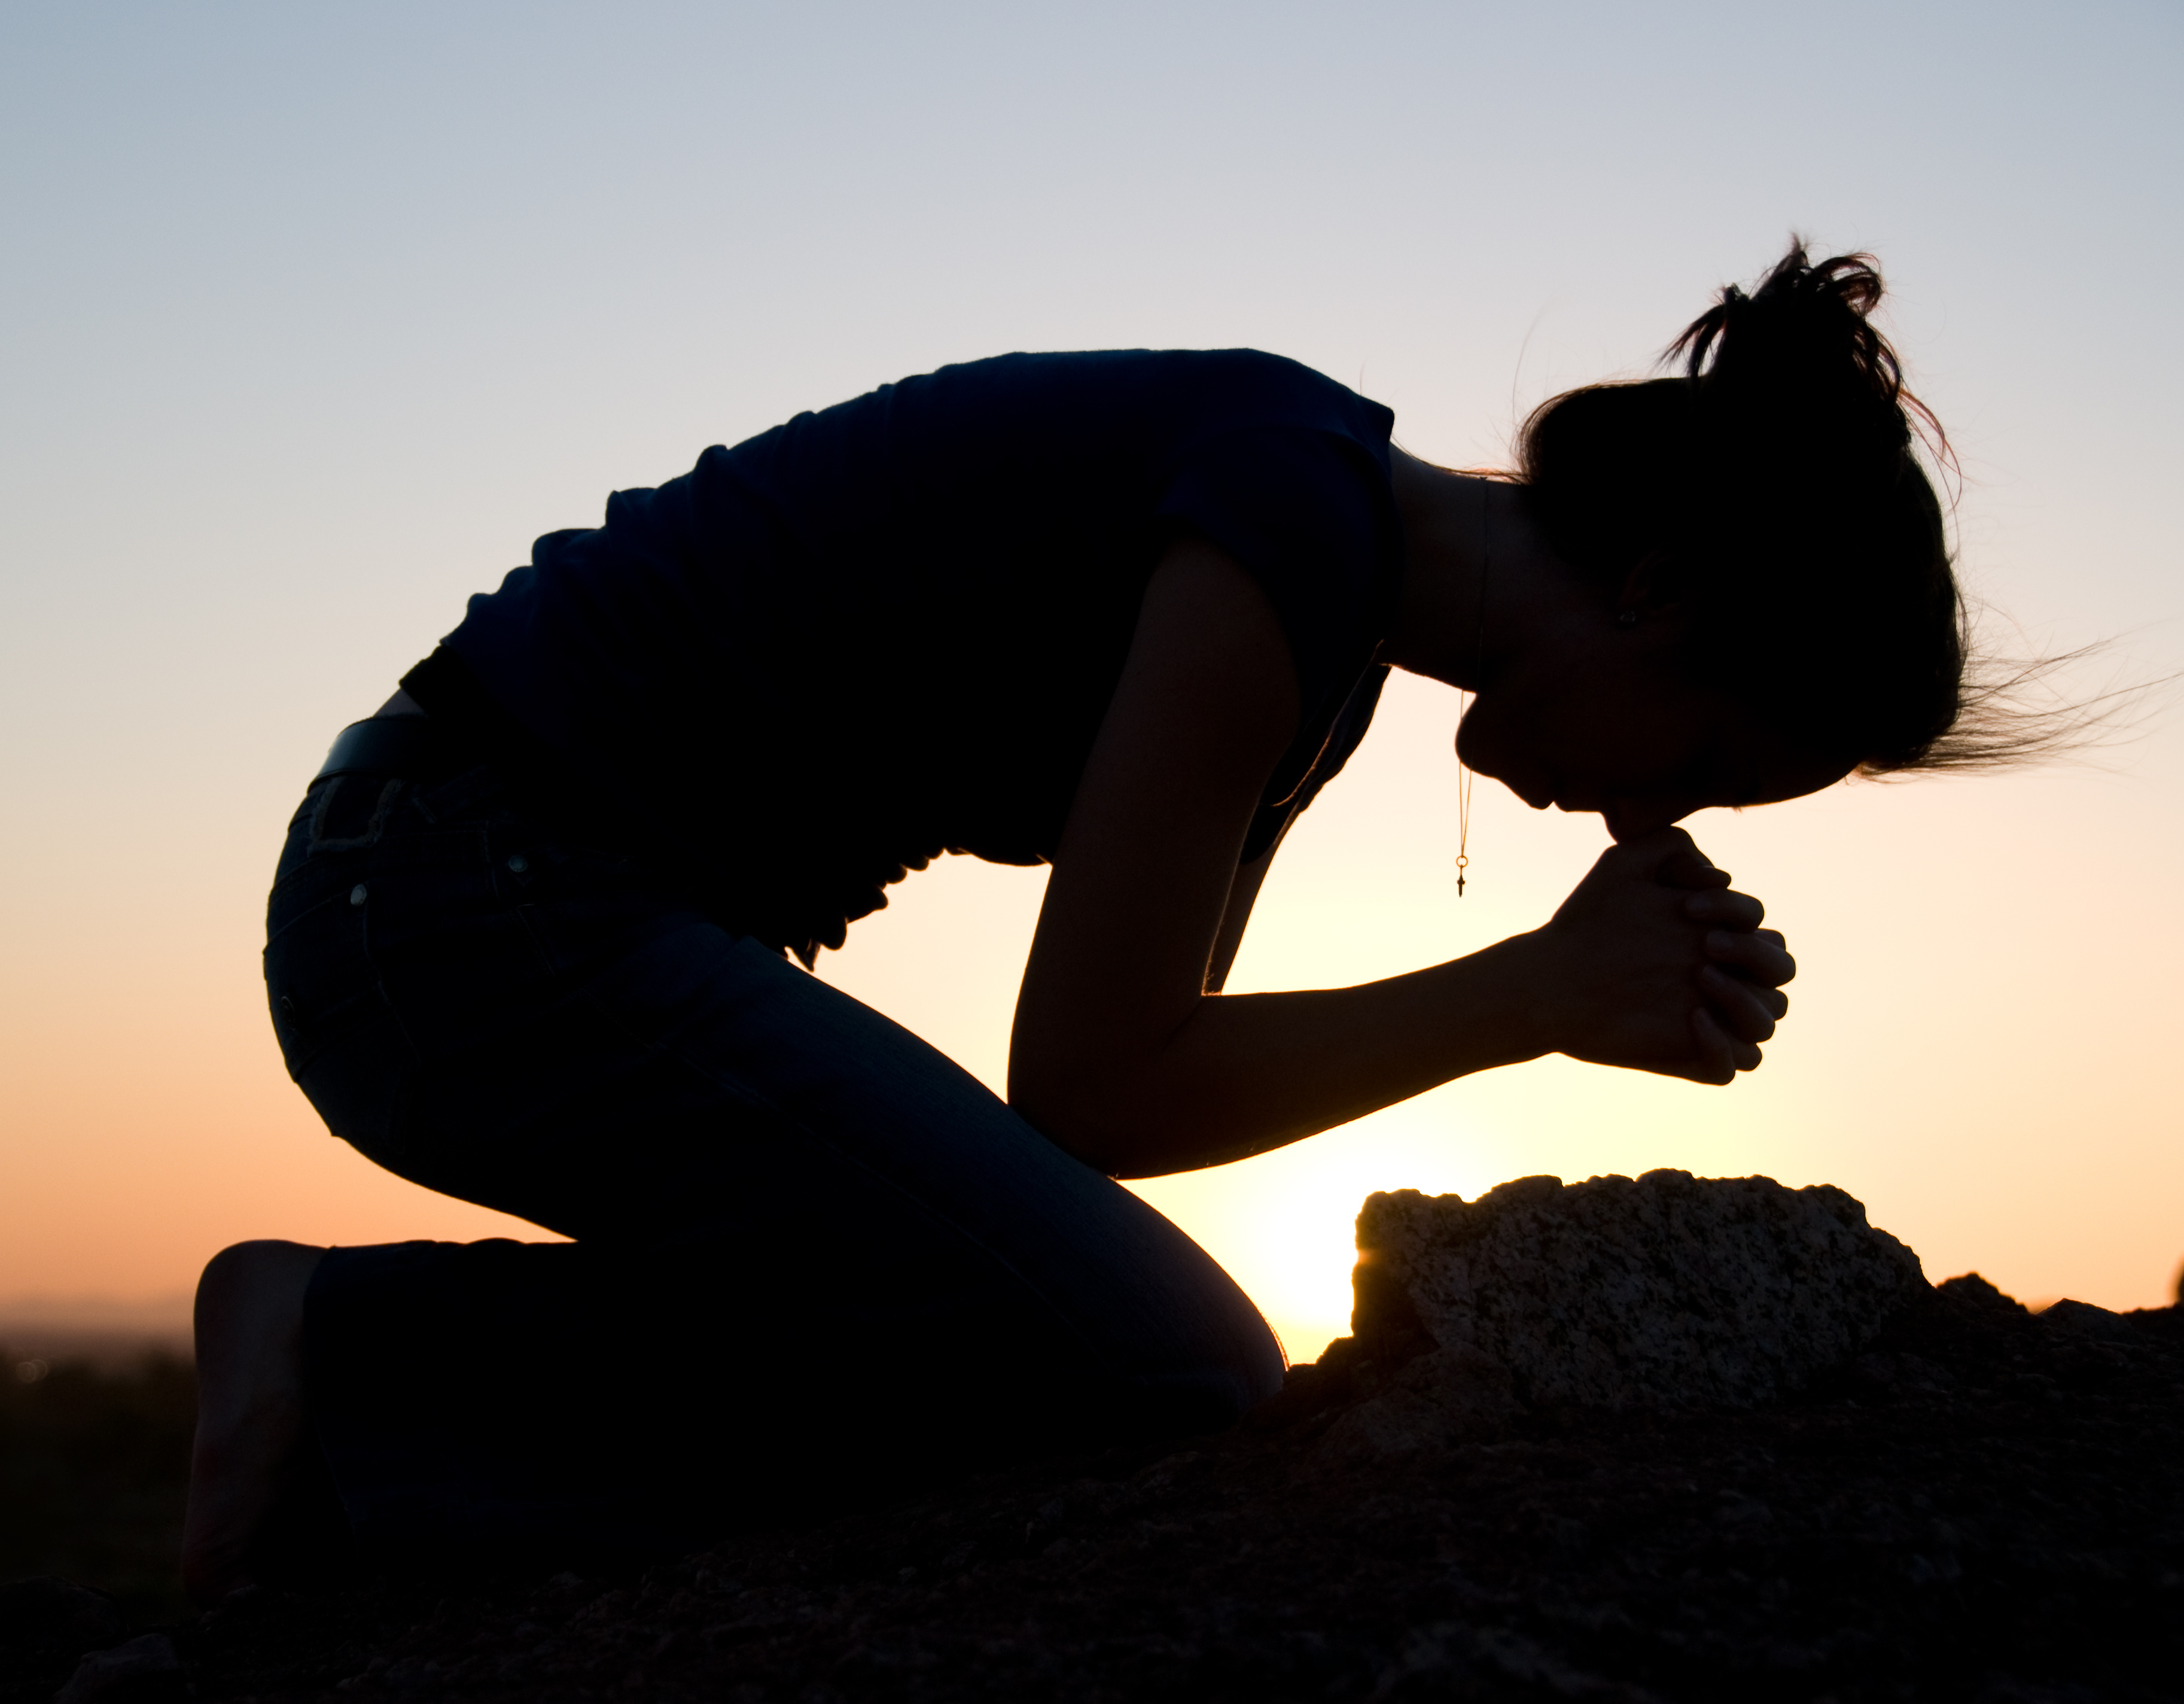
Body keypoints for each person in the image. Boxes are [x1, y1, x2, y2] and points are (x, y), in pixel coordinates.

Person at [182, 244, 2000, 1600]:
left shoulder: (1313, 623)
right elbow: (1094, 1093)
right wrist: (1534, 990)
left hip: (484, 899)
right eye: (1700, 758)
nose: (1639, 814)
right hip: (467, 898)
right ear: (1657, 593)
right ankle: (345, 1367)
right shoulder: (1279, 528)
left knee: (1062, 1332)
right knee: (1169, 1365)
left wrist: (1553, 992)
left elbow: (1146, 1092)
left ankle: (352, 1433)